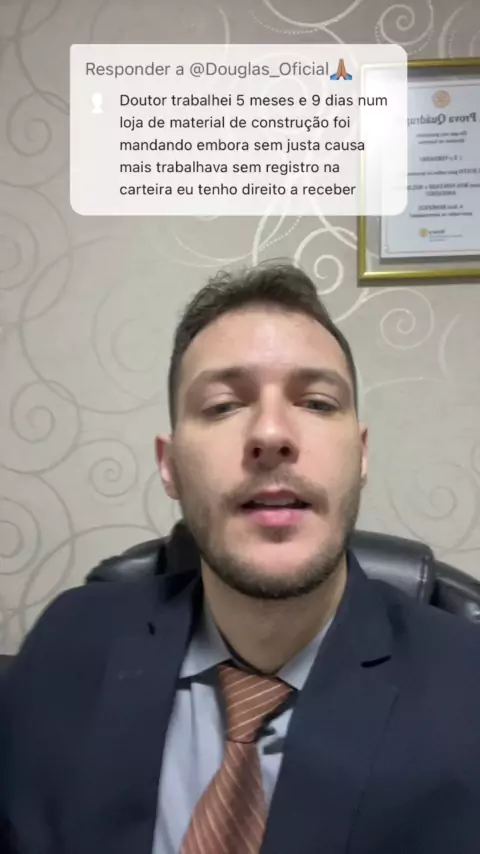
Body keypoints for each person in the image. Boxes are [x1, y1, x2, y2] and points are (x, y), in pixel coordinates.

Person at [2, 261, 480, 854]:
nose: (271, 434)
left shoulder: (468, 691)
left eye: (317, 402)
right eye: (224, 405)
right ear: (170, 466)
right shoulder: (67, 644)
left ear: (360, 456)